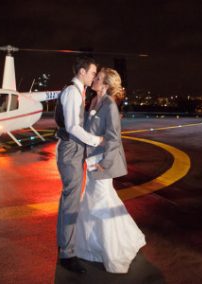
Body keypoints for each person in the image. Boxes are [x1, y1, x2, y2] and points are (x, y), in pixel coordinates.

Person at [75, 68, 146, 273]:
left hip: (101, 161)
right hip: (91, 159)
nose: (94, 80)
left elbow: (114, 137)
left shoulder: (109, 105)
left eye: (97, 79)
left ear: (105, 84)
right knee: (96, 201)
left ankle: (113, 252)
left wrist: (104, 163)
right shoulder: (94, 101)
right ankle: (97, 244)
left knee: (101, 203)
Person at [55, 56, 103, 274]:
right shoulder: (73, 92)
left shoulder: (76, 91)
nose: (94, 77)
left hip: (72, 149)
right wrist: (96, 141)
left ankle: (64, 244)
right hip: (71, 150)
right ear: (82, 72)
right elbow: (73, 126)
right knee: (71, 202)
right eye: (93, 73)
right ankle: (68, 253)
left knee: (68, 199)